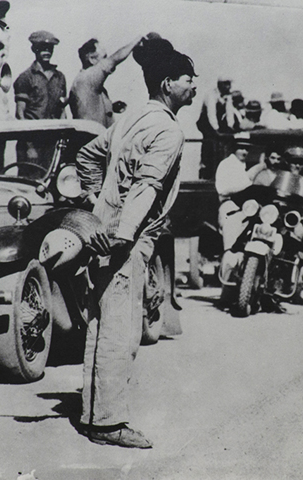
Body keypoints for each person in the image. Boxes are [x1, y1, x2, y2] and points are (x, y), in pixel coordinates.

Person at [76, 36, 196, 449]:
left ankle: (94, 415)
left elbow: (87, 157)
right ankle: (108, 424)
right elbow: (147, 187)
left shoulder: (128, 119)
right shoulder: (167, 128)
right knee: (121, 331)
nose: (193, 86)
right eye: (187, 79)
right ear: (167, 84)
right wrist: (124, 235)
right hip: (126, 239)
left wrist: (98, 204)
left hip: (104, 231)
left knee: (101, 324)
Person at [252, 147, 303, 305]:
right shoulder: (278, 176)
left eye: (300, 162)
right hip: (283, 219)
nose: (296, 165)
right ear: (286, 162)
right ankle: (283, 290)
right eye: (293, 162)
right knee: (279, 248)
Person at [215, 140, 268, 289]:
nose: (244, 152)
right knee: (231, 249)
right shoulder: (226, 164)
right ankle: (226, 290)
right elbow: (222, 190)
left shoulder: (243, 166)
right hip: (229, 205)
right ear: (234, 149)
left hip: (246, 207)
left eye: (247, 149)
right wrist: (247, 186)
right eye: (241, 148)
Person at [13, 30, 68, 177]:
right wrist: (29, 146)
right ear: (34, 50)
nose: (46, 52)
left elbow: (61, 110)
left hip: (52, 141)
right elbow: (20, 114)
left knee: (54, 180)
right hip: (31, 142)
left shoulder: (59, 77)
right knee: (30, 181)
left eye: (49, 49)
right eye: (42, 48)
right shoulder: (25, 78)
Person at [69, 35, 144, 128]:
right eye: (104, 57)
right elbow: (114, 60)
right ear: (92, 59)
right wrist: (136, 41)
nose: (107, 60)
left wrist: (110, 107)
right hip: (91, 137)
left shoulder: (89, 82)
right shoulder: (87, 78)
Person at [195, 76, 232, 179]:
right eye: (226, 84)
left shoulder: (227, 96)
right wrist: (216, 130)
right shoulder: (211, 95)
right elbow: (211, 114)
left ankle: (218, 171)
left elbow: (229, 113)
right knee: (208, 146)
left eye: (229, 84)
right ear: (220, 85)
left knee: (221, 145)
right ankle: (206, 172)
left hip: (217, 124)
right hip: (206, 124)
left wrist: (230, 127)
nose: (229, 87)